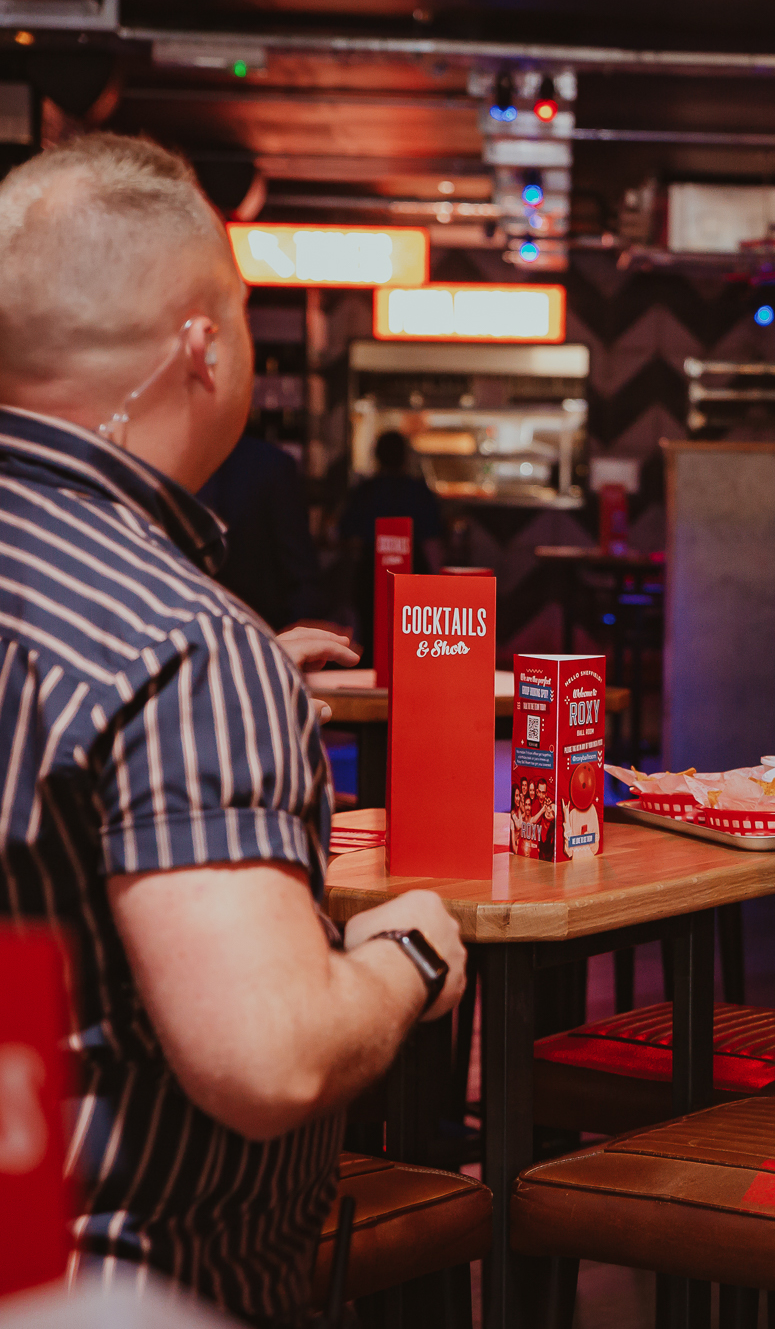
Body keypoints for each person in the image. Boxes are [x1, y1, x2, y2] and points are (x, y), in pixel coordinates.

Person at [0, 133, 468, 1323]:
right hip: (115, 1282)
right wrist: (406, 956)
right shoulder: (178, 641)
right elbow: (270, 1058)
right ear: (200, 347)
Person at [197, 430, 324, 631]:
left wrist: (299, 636)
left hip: (261, 630)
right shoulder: (157, 460)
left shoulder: (268, 465)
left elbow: (300, 568)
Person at [339, 430, 444, 663]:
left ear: (376, 455)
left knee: (373, 642)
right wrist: (440, 586)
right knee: (413, 641)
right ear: (405, 456)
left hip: (371, 576)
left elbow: (347, 537)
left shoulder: (365, 491)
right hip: (413, 577)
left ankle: (373, 691)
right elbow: (431, 542)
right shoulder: (418, 491)